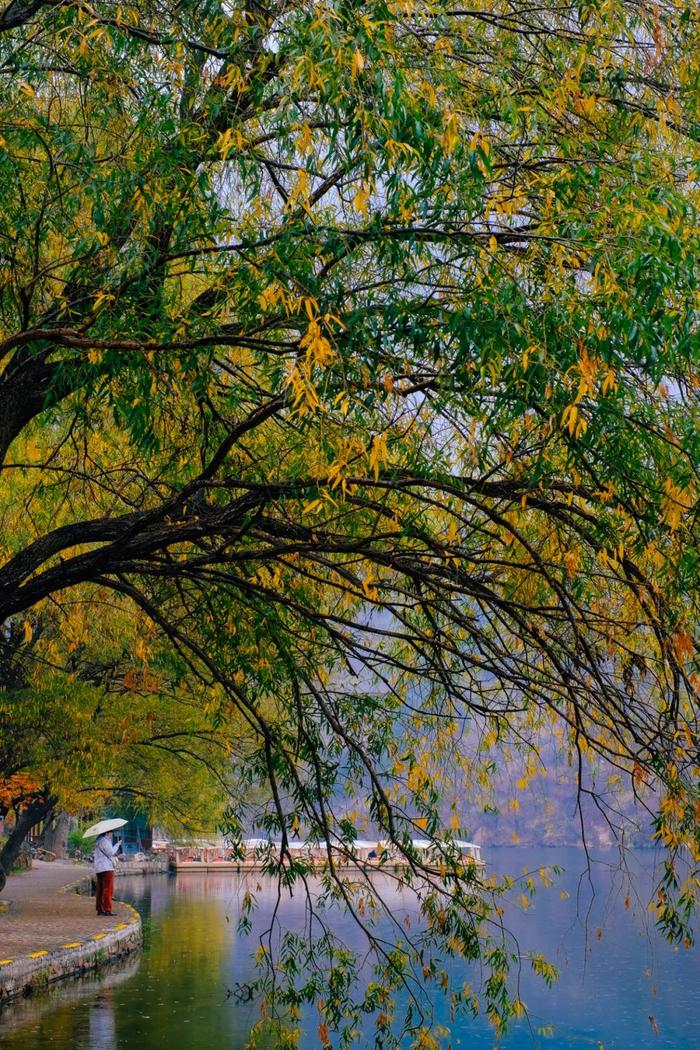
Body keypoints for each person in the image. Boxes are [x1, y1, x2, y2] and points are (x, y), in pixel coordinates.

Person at [94, 831, 121, 915]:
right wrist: (117, 845)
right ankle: (107, 909)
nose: (112, 834)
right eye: (110, 832)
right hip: (106, 867)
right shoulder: (105, 841)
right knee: (108, 889)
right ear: (107, 833)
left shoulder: (98, 841)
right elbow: (111, 853)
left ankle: (100, 909)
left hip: (99, 868)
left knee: (100, 889)